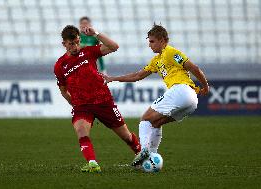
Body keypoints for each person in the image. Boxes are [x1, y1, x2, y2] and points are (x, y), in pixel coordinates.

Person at [102, 24, 209, 166]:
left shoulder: (170, 52)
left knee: (145, 119)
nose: (149, 45)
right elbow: (138, 75)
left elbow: (193, 67)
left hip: (181, 90)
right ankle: (150, 158)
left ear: (162, 41)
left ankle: (143, 150)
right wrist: (113, 78)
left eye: (152, 41)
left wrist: (205, 86)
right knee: (155, 123)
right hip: (191, 102)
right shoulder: (156, 61)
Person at [54, 25, 140, 173]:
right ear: (64, 44)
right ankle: (92, 163)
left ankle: (141, 155)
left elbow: (114, 47)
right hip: (82, 105)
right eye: (70, 44)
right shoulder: (60, 65)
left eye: (76, 42)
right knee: (81, 130)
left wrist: (96, 34)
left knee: (126, 135)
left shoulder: (88, 51)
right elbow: (63, 90)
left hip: (103, 100)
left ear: (79, 39)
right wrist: (73, 102)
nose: (75, 47)